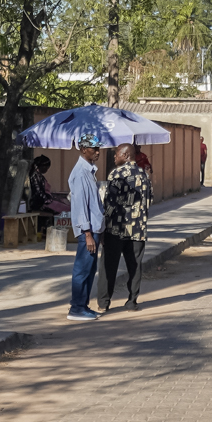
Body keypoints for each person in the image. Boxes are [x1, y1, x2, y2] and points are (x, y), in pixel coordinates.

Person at [98, 143, 153, 313]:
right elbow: (149, 201)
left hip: (116, 228)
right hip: (138, 229)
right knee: (135, 265)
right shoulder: (144, 175)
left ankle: (104, 303)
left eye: (116, 154)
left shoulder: (116, 173)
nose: (114, 158)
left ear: (125, 155)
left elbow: (110, 204)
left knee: (109, 265)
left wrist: (102, 225)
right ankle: (132, 301)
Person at [66, 136, 105, 321]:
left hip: (94, 229)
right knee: (82, 269)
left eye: (98, 148)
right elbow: (81, 206)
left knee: (89, 269)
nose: (97, 151)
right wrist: (88, 234)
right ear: (83, 149)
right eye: (93, 148)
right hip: (87, 231)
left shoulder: (89, 171)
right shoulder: (81, 173)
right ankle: (76, 308)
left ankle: (84, 306)